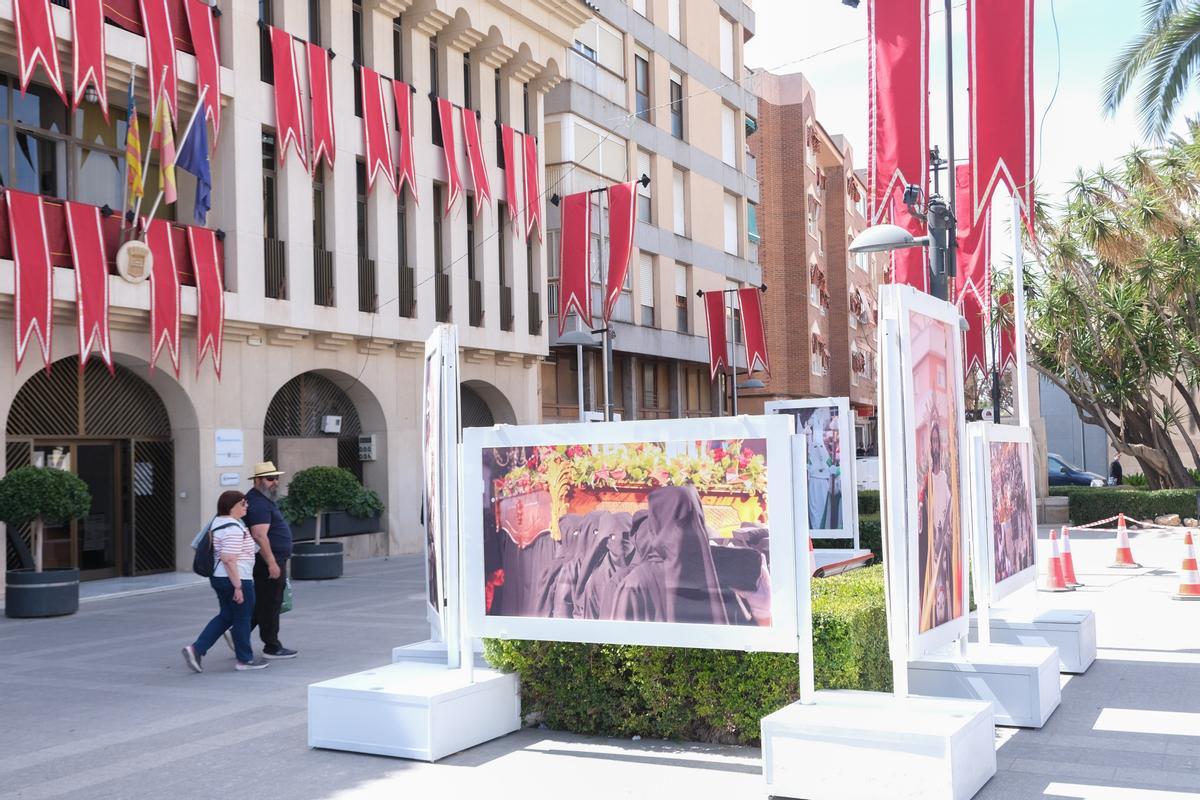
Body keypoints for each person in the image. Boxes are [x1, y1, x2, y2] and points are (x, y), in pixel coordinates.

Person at [182, 491, 268, 672]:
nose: (247, 506)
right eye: (243, 503)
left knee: (227, 615)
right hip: (237, 579)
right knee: (242, 617)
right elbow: (228, 558)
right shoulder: (233, 528)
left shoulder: (218, 522)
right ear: (233, 506)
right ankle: (245, 660)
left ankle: (197, 649)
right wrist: (238, 587)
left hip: (220, 577)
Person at [243, 461, 298, 659]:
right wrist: (272, 562)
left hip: (271, 559)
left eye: (276, 478)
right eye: (269, 478)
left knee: (263, 602)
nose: (274, 482)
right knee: (271, 602)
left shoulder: (262, 500)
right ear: (257, 481)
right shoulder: (258, 503)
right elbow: (259, 535)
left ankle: (238, 633)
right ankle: (272, 646)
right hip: (268, 561)